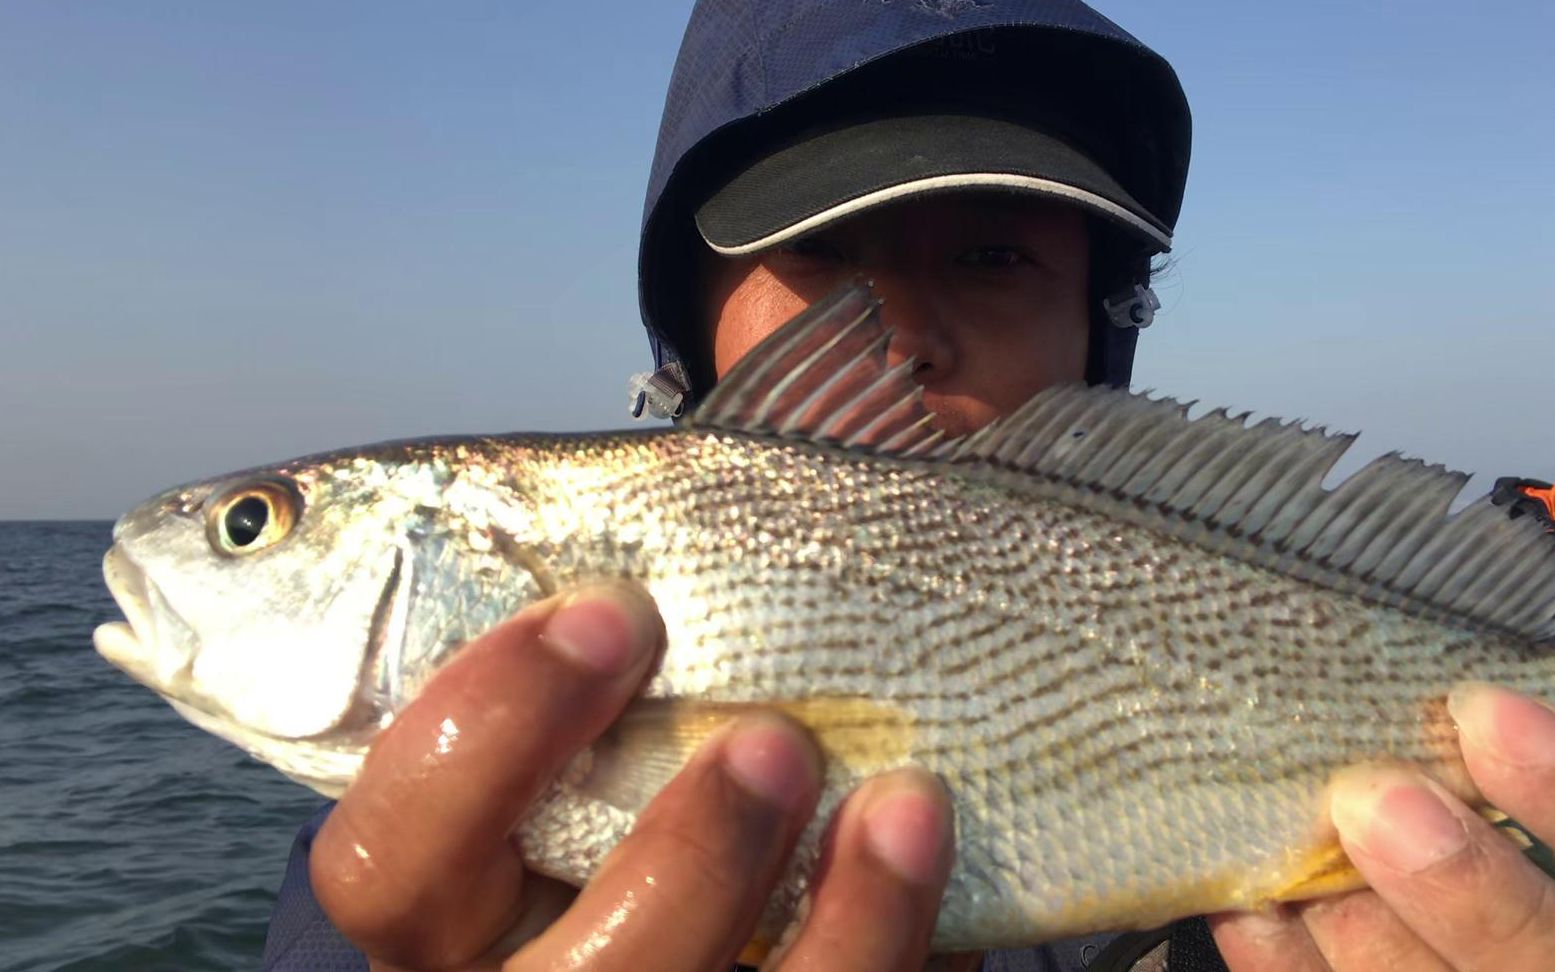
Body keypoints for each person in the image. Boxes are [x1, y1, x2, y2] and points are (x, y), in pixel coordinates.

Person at [263, 2, 1555, 970]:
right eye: (820, 251)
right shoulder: (418, 880)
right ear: (686, 320)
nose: (898, 335)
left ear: (1104, 334)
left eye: (993, 253)